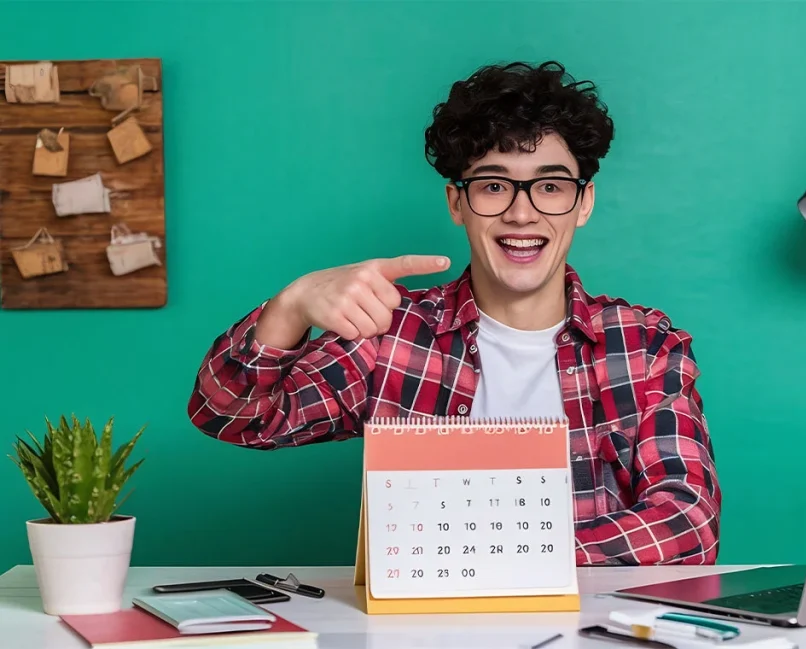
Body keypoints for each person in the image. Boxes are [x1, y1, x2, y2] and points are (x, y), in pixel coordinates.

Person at [187, 60, 721, 566]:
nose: (521, 212)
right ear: (456, 203)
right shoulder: (388, 335)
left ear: (583, 204)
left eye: (551, 186)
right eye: (493, 185)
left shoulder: (646, 347)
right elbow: (234, 417)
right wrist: (292, 304)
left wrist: (501, 557)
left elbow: (689, 523)